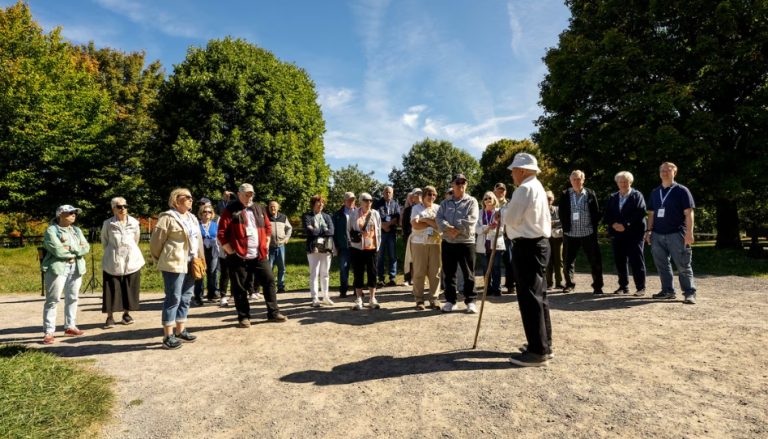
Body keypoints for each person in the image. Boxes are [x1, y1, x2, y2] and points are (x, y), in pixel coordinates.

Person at [503, 153, 553, 367]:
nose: (512, 174)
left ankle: (537, 351)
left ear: (522, 170)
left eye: (514, 170)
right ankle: (544, 344)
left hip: (528, 246)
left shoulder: (524, 189)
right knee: (539, 296)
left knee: (529, 297)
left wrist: (502, 214)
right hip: (540, 244)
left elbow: (512, 219)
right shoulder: (538, 186)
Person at [217, 183, 287, 327]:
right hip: (238, 256)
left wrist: (266, 243)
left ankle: (273, 312)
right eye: (246, 194)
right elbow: (221, 233)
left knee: (269, 281)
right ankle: (243, 317)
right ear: (239, 194)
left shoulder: (260, 208)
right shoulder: (230, 210)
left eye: (251, 194)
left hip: (259, 254)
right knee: (239, 287)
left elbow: (267, 227)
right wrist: (230, 250)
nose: (249, 197)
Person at [150, 188, 205, 349]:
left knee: (186, 297)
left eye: (191, 197)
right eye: (186, 197)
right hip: (174, 263)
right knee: (173, 298)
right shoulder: (167, 217)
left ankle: (181, 330)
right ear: (176, 199)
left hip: (191, 262)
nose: (190, 199)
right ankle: (168, 335)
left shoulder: (193, 218)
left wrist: (201, 259)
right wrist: (162, 259)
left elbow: (198, 240)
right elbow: (156, 243)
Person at [646, 162, 697, 304]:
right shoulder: (655, 192)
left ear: (675, 172)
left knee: (683, 265)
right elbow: (651, 214)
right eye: (662, 170)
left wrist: (689, 233)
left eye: (668, 170)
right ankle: (667, 291)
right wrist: (649, 231)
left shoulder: (682, 190)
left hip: (677, 234)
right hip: (657, 234)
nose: (664, 172)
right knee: (662, 264)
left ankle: (689, 293)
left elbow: (689, 213)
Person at [40, 205, 90, 344]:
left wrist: (72, 249)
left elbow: (86, 247)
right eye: (70, 212)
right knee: (53, 300)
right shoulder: (51, 230)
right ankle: (49, 332)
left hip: (76, 267)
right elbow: (58, 251)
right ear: (60, 215)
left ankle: (70, 326)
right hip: (57, 268)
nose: (74, 214)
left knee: (73, 297)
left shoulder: (77, 230)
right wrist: (77, 249)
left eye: (75, 213)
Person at [437, 173, 480, 313]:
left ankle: (471, 301)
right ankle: (450, 301)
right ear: (452, 184)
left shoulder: (472, 201)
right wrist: (449, 228)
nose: (461, 184)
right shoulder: (445, 203)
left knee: (468, 273)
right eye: (458, 182)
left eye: (464, 182)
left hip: (466, 242)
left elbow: (471, 219)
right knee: (449, 273)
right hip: (449, 242)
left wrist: (456, 229)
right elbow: (439, 219)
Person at [101, 197, 145, 329]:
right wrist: (114, 252)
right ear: (113, 208)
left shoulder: (134, 222)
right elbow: (105, 241)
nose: (123, 209)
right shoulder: (108, 224)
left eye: (125, 206)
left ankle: (126, 314)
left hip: (131, 258)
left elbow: (135, 240)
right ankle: (110, 317)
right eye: (119, 207)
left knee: (130, 286)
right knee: (111, 287)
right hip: (113, 259)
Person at [558, 170, 604, 294]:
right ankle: (569, 284)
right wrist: (565, 226)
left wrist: (594, 226)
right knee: (567, 262)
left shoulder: (590, 193)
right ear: (570, 181)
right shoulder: (565, 194)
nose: (576, 182)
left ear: (583, 180)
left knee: (595, 261)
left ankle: (598, 286)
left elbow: (596, 211)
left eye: (579, 179)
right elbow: (561, 212)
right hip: (570, 234)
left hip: (588, 233)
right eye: (574, 179)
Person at [603, 171, 647, 295]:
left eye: (625, 181)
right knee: (620, 261)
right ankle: (623, 287)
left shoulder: (637, 195)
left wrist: (625, 225)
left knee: (636, 260)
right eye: (620, 182)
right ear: (617, 183)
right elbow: (607, 214)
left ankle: (640, 287)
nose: (623, 184)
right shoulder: (613, 197)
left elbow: (640, 213)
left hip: (634, 234)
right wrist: (613, 224)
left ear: (630, 182)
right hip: (617, 234)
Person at [348, 192, 382, 310]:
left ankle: (372, 298)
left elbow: (379, 230)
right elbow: (349, 230)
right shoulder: (353, 214)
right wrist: (356, 237)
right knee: (358, 273)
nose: (368, 203)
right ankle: (359, 299)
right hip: (357, 248)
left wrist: (378, 245)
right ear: (360, 201)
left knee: (372, 273)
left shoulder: (375, 214)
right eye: (366, 200)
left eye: (370, 200)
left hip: (372, 248)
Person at [410, 186, 442, 310]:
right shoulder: (416, 208)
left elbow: (439, 226)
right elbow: (415, 225)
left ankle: (434, 299)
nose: (432, 197)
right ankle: (419, 300)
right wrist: (431, 222)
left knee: (435, 272)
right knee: (419, 272)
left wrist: (425, 220)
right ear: (424, 195)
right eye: (429, 194)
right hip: (419, 243)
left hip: (435, 243)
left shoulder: (438, 208)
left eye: (434, 194)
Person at [303, 195, 335, 307]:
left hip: (326, 248)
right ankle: (315, 298)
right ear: (313, 203)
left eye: (322, 203)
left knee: (325, 273)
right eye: (318, 202)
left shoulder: (327, 216)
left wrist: (316, 229)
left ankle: (325, 296)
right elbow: (310, 232)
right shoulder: (307, 216)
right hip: (314, 248)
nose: (321, 204)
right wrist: (323, 230)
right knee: (314, 273)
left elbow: (331, 231)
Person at [475, 191, 506, 296]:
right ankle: (487, 289)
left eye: (490, 198)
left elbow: (502, 230)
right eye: (485, 198)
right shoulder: (479, 213)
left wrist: (492, 230)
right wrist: (487, 227)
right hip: (483, 245)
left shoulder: (499, 212)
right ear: (483, 201)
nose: (488, 200)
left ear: (494, 200)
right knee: (485, 268)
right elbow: (476, 229)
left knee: (496, 267)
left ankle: (497, 289)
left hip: (496, 244)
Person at [374, 186, 400, 287]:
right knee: (380, 256)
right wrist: (384, 226)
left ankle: (392, 278)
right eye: (386, 192)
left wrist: (388, 224)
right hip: (381, 233)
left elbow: (397, 217)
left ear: (392, 194)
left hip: (392, 232)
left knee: (392, 255)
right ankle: (380, 278)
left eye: (389, 192)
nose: (388, 194)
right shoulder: (377, 203)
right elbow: (376, 217)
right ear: (383, 193)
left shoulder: (395, 204)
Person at [194, 204, 220, 305]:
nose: (207, 214)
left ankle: (211, 294)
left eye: (209, 212)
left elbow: (218, 236)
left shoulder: (214, 224)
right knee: (200, 273)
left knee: (212, 273)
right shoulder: (197, 225)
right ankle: (198, 297)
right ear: (201, 213)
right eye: (205, 212)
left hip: (212, 251)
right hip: (200, 251)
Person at [331, 192, 355, 298]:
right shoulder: (337, 214)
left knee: (357, 268)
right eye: (349, 200)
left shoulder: (359, 212)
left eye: (353, 200)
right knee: (343, 268)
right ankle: (343, 290)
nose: (351, 202)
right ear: (344, 201)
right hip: (343, 246)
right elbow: (333, 231)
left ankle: (357, 289)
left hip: (357, 246)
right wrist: (335, 245)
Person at [494, 182, 515, 293]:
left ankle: (510, 285)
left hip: (507, 236)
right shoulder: (490, 202)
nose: (500, 192)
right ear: (494, 191)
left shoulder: (510, 203)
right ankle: (494, 286)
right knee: (494, 262)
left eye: (502, 190)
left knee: (510, 261)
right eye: (498, 189)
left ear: (505, 192)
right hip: (494, 236)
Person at [268, 201, 292, 294]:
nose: (272, 208)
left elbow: (289, 228)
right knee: (269, 268)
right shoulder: (266, 217)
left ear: (278, 208)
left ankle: (281, 287)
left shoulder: (283, 217)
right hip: (270, 247)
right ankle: (271, 287)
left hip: (281, 246)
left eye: (274, 207)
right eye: (271, 206)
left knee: (281, 267)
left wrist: (287, 238)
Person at [401, 189, 421, 286]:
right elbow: (404, 225)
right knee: (409, 259)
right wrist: (407, 236)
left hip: (422, 237)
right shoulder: (408, 210)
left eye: (419, 194)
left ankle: (418, 278)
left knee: (420, 259)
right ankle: (408, 278)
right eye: (415, 195)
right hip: (410, 236)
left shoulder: (426, 208)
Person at [545, 191, 564, 290]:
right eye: (546, 198)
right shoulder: (540, 210)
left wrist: (552, 222)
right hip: (545, 238)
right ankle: (549, 283)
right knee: (548, 261)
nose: (548, 200)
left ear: (553, 199)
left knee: (559, 260)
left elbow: (563, 220)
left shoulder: (558, 209)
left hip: (557, 238)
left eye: (550, 198)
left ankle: (559, 282)